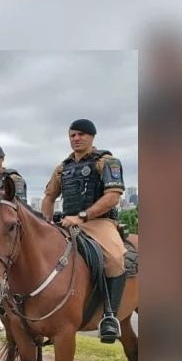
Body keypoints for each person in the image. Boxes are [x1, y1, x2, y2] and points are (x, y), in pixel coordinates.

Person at [41, 119, 129, 343]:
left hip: (99, 222)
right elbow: (49, 197)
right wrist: (45, 222)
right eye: (72, 135)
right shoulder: (62, 167)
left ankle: (110, 316)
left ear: (92, 137)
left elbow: (112, 197)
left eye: (81, 134)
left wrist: (83, 216)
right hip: (66, 222)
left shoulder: (108, 162)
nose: (76, 138)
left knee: (115, 258)